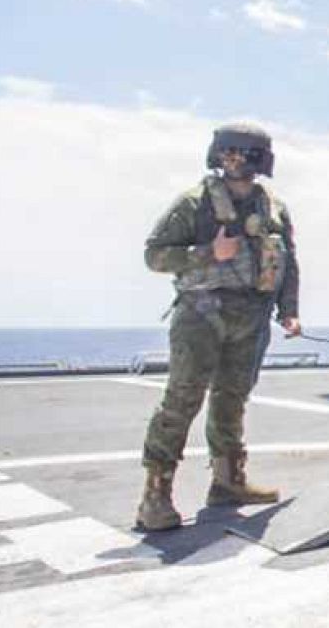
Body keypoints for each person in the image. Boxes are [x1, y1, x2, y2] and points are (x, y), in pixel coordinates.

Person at [135, 123, 300, 532]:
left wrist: (289, 310)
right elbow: (154, 256)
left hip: (252, 314)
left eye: (243, 153)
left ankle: (228, 482)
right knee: (182, 398)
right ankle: (155, 495)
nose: (234, 161)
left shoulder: (273, 208)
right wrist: (209, 252)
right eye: (229, 153)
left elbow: (288, 262)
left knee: (232, 398)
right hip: (202, 314)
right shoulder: (193, 203)